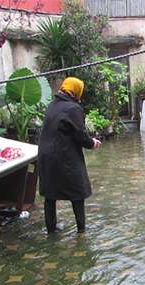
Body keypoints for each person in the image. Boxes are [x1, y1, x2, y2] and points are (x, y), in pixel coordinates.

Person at [38, 77, 101, 234]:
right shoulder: (73, 108)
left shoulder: (52, 106)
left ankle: (51, 230)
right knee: (78, 191)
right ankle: (81, 230)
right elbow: (80, 135)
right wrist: (92, 143)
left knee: (50, 194)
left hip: (45, 156)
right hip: (64, 156)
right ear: (76, 91)